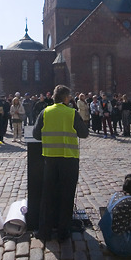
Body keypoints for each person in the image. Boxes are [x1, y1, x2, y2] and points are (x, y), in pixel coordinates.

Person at [33, 85, 89, 242]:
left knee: (47, 196)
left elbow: (36, 134)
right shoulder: (72, 113)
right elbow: (84, 134)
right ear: (66, 98)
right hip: (69, 160)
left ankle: (44, 232)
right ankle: (64, 232)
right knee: (67, 196)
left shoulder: (45, 112)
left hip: (50, 160)